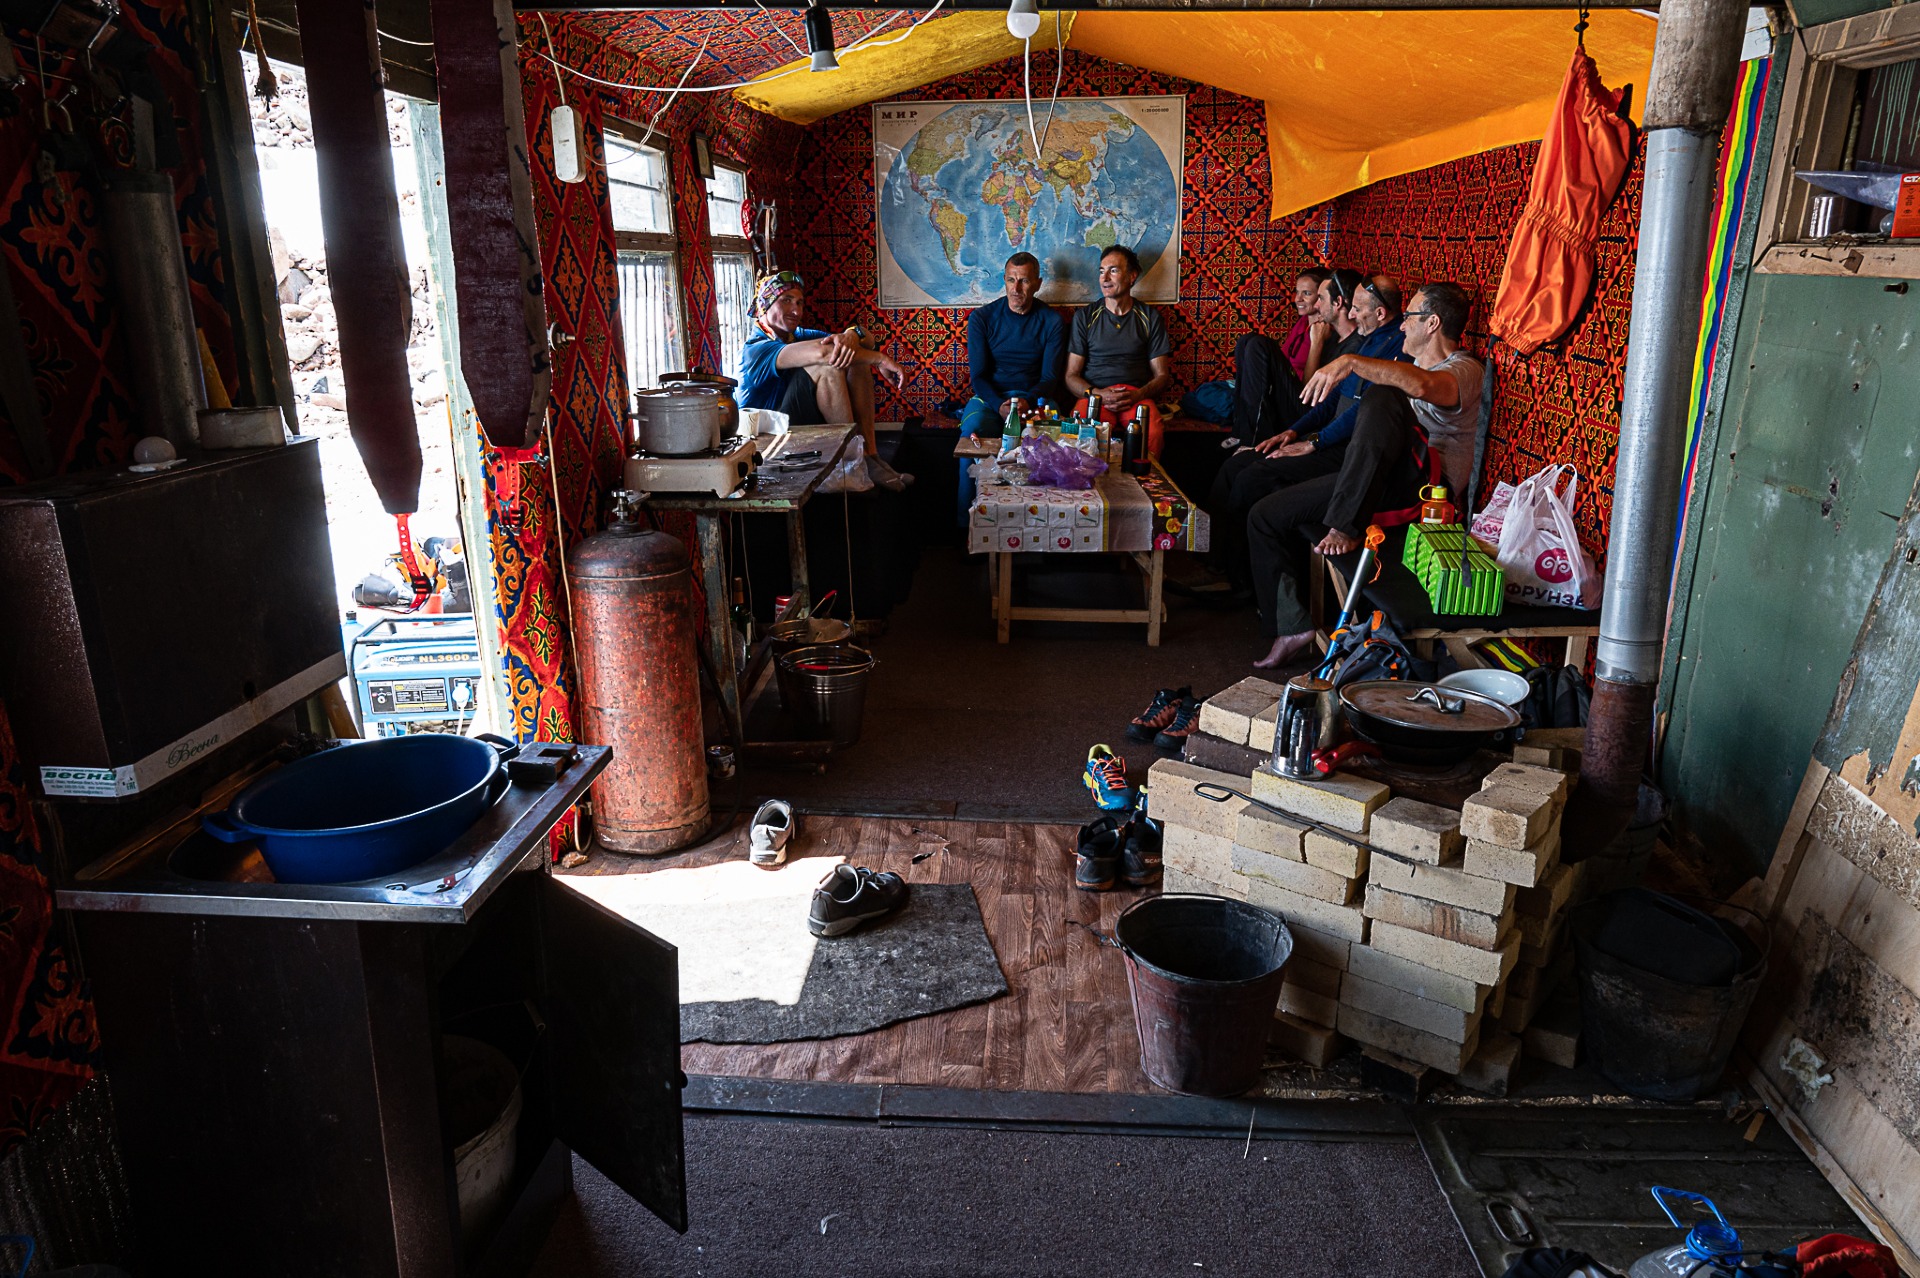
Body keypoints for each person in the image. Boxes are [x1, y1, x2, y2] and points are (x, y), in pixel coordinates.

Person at [1245, 282, 1486, 668]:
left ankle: (1346, 524)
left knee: (1383, 394)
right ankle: (1291, 625)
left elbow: (1424, 387)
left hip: (1427, 493)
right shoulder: (1410, 366)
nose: (1402, 326)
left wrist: (1352, 362)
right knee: (1265, 513)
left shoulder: (1464, 369)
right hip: (1381, 478)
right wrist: (1312, 441)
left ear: (1433, 323)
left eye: (1408, 317)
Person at [1201, 269, 1395, 595]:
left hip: (1344, 450)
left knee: (1252, 477)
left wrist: (1314, 441)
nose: (1350, 313)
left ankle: (1236, 576)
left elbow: (1357, 412)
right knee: (1235, 466)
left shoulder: (1386, 351)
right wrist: (1292, 433)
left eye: (1356, 308)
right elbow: (1329, 401)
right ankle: (1213, 558)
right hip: (1320, 435)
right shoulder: (1366, 343)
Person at [738, 269, 912, 490]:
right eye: (786, 300)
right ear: (765, 305)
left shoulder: (796, 335)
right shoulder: (756, 349)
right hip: (768, 443)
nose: (796, 310)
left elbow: (867, 340)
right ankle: (852, 461)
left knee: (855, 361)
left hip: (796, 427)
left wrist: (852, 334)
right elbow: (825, 354)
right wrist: (880, 360)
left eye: (800, 303)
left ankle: (869, 455)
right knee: (830, 366)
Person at [1064, 245, 1173, 457]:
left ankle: (1145, 486)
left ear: (1132, 276)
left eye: (1113, 270)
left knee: (1152, 433)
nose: (1104, 278)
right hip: (1095, 396)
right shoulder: (1085, 317)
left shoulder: (1149, 317)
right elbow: (1070, 376)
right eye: (1101, 271)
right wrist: (1097, 395)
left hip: (1135, 395)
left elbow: (1162, 376)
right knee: (1084, 435)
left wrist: (1138, 394)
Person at [960, 252, 1067, 438]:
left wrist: (1028, 400)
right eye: (1011, 280)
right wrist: (998, 405)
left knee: (1055, 436)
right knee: (972, 428)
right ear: (1004, 280)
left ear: (1037, 284)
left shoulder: (1052, 321)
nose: (1015, 288)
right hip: (991, 399)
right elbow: (978, 376)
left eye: (1024, 281)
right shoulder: (981, 318)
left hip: (1035, 400)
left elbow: (1049, 377)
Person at [1225, 266, 1333, 446]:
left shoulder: (1328, 331)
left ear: (1322, 297)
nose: (1298, 299)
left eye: (1306, 293)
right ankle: (1241, 430)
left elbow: (1308, 390)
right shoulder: (1303, 322)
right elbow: (1282, 364)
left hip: (1304, 408)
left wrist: (1317, 343)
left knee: (1259, 344)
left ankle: (1252, 438)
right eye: (1297, 292)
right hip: (1285, 398)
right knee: (1247, 340)